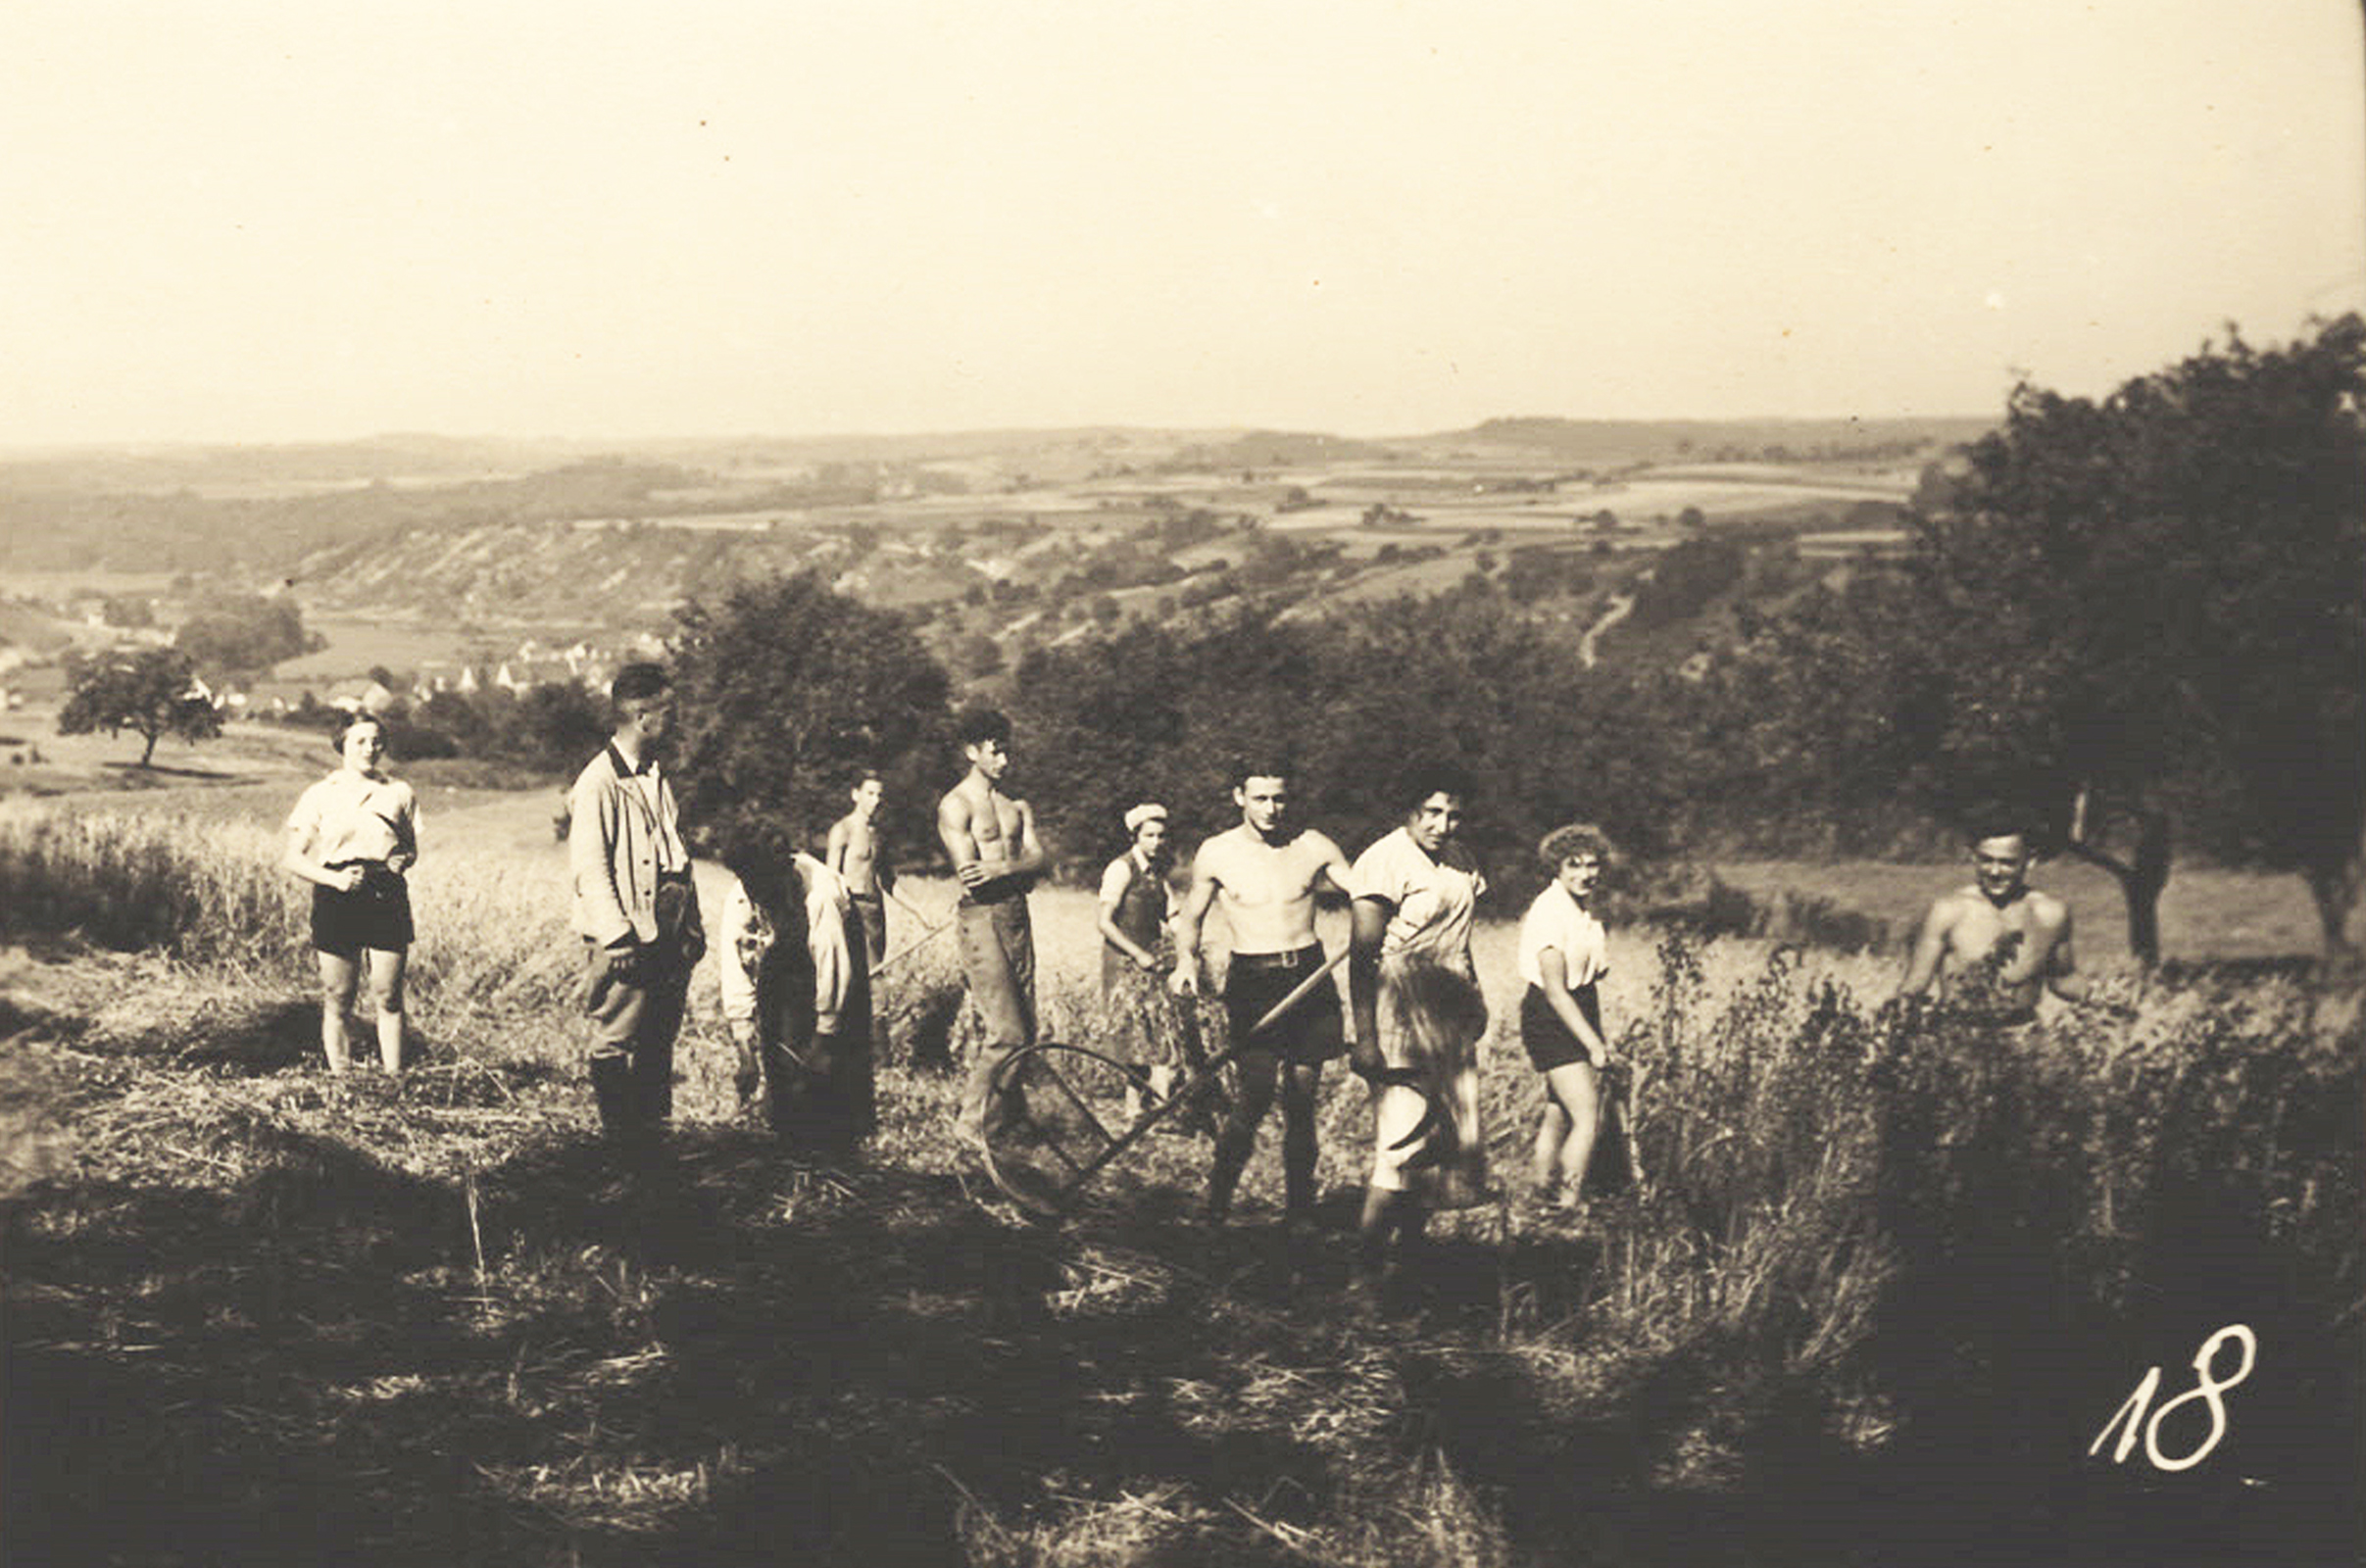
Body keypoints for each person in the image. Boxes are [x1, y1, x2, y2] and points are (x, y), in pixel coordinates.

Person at [1170, 761, 1355, 1228]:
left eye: (1279, 798)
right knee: (1253, 1096)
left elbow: (1366, 893)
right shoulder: (1217, 852)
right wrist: (1186, 961)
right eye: (1261, 798)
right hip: (1253, 981)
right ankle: (1217, 1204)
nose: (1272, 809)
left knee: (1301, 1100)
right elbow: (1190, 917)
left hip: (1310, 978)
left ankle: (1299, 1211)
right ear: (1239, 797)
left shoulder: (1313, 845)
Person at [1348, 765, 1492, 1287]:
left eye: (1453, 814)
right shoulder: (1382, 862)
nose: (1442, 824)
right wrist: (1365, 1037)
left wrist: (1477, 996)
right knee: (1400, 1147)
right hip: (1398, 1011)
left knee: (1441, 1146)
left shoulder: (1461, 861)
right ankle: (1362, 1275)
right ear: (1409, 810)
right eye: (1431, 812)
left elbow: (1462, 939)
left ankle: (1409, 1265)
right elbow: (1362, 956)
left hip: (1448, 1009)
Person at [569, 663, 705, 1145]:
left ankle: (653, 1137)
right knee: (615, 1038)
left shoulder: (654, 773)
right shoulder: (598, 783)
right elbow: (590, 868)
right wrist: (616, 935)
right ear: (644, 717)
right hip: (628, 936)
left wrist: (690, 927)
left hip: (665, 929)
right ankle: (620, 1141)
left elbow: (673, 855)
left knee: (658, 1038)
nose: (674, 722)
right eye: (668, 712)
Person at [282, 711, 419, 1074]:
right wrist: (335, 881)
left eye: (376, 741)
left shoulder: (399, 792)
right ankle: (341, 1078)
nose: (370, 749)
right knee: (338, 995)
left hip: (385, 895)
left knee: (388, 995)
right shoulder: (319, 795)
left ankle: (394, 1078)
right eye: (360, 741)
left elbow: (409, 846)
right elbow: (293, 859)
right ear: (341, 744)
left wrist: (402, 861)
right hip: (337, 894)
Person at [718, 844, 875, 1155]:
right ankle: (786, 1137)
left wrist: (825, 1037)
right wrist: (744, 1047)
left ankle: (837, 1147)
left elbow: (833, 968)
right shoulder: (743, 891)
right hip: (784, 952)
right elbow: (735, 962)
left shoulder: (822, 895)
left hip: (836, 952)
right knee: (780, 1045)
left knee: (834, 1060)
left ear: (785, 872)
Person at [938, 708, 1049, 1146]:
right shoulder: (956, 804)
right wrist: (1017, 868)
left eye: (1008, 752)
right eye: (995, 752)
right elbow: (971, 873)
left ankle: (1007, 1119)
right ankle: (970, 1128)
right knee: (1007, 1032)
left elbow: (1043, 860)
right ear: (973, 752)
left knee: (1026, 1030)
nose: (1005, 761)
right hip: (981, 919)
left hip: (1017, 914)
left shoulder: (1017, 806)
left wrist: (1005, 866)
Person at [1897, 825, 2091, 1023]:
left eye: (2007, 863)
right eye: (1986, 860)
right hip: (1960, 1036)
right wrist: (1899, 1026)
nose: (1995, 872)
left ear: (2030, 861)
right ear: (1973, 857)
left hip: (2024, 1036)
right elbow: (1916, 984)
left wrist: (2107, 998)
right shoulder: (1949, 911)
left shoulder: (2050, 913)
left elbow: (2063, 979)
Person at [1519, 823, 1617, 1212]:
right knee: (1588, 1116)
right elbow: (1555, 989)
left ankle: (1540, 1192)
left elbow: (1594, 972)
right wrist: (1594, 1044)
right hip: (1551, 1014)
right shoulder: (1549, 912)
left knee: (1558, 1112)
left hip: (1581, 1007)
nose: (1585, 874)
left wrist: (1594, 1033)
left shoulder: (1584, 910)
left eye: (1592, 865)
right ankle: (1568, 1203)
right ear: (1556, 868)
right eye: (1574, 865)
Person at [1096, 803, 1192, 1120]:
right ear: (1135, 836)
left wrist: (1186, 944)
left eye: (1161, 836)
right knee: (1132, 1033)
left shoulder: (1158, 874)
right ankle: (1134, 1106)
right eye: (1149, 835)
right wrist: (1137, 954)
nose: (1156, 842)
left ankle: (1158, 1103)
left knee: (1158, 1030)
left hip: (1153, 961)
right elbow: (1105, 922)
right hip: (1124, 961)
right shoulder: (1121, 869)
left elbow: (1173, 914)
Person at [825, 772, 896, 969]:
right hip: (852, 909)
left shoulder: (879, 833)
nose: (876, 800)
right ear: (856, 795)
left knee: (876, 968)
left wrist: (920, 913)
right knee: (861, 974)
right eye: (870, 794)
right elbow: (831, 878)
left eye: (880, 795)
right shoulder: (843, 829)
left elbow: (889, 881)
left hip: (875, 910)